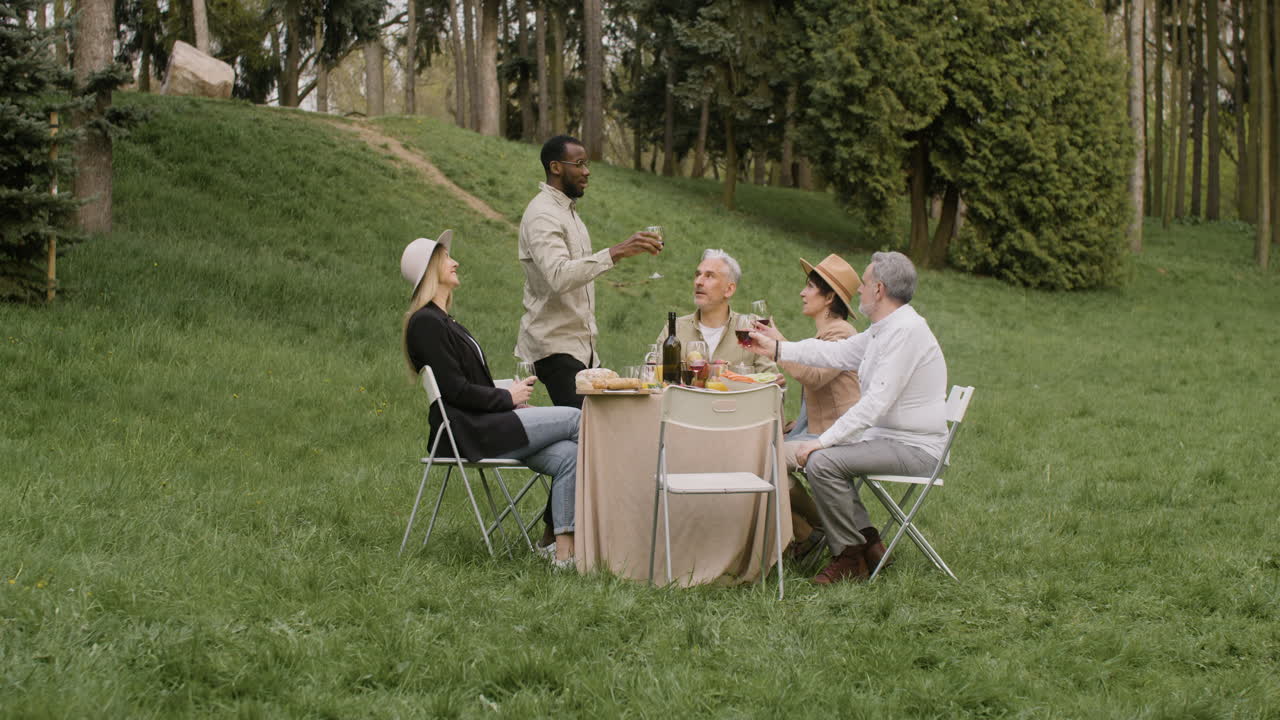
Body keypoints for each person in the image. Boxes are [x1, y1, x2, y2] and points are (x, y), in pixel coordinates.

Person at [747, 251, 947, 585]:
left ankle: (849, 556)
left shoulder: (906, 332)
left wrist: (822, 442)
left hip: (916, 448)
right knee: (826, 458)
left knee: (823, 462)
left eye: (865, 284)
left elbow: (875, 403)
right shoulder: (884, 330)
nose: (859, 290)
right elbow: (834, 353)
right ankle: (868, 543)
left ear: (879, 290)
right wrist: (777, 349)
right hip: (889, 439)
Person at [402, 230, 579, 566]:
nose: (455, 262)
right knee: (579, 419)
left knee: (571, 455)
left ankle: (562, 554)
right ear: (429, 270)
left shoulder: (444, 321)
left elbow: (469, 385)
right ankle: (616, 521)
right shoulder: (426, 323)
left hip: (489, 424)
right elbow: (456, 391)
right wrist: (506, 397)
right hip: (472, 433)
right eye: (446, 258)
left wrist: (511, 399)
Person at [517, 134, 664, 409]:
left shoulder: (569, 213)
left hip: (582, 349)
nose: (586, 171)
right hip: (554, 347)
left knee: (607, 420)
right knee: (589, 424)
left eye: (587, 164)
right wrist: (616, 252)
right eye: (579, 164)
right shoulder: (542, 214)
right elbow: (559, 276)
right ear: (555, 167)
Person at [752, 254, 863, 562]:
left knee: (763, 459)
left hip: (837, 436)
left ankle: (810, 533)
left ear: (829, 298)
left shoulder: (841, 334)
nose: (802, 293)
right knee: (763, 455)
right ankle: (818, 530)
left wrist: (777, 347)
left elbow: (814, 376)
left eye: (810, 287)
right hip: (820, 430)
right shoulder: (827, 333)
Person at [654, 248, 779, 375]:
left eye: (709, 276)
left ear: (729, 289)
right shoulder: (674, 329)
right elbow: (651, 377)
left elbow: (772, 381)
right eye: (698, 275)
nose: (698, 282)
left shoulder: (752, 328)